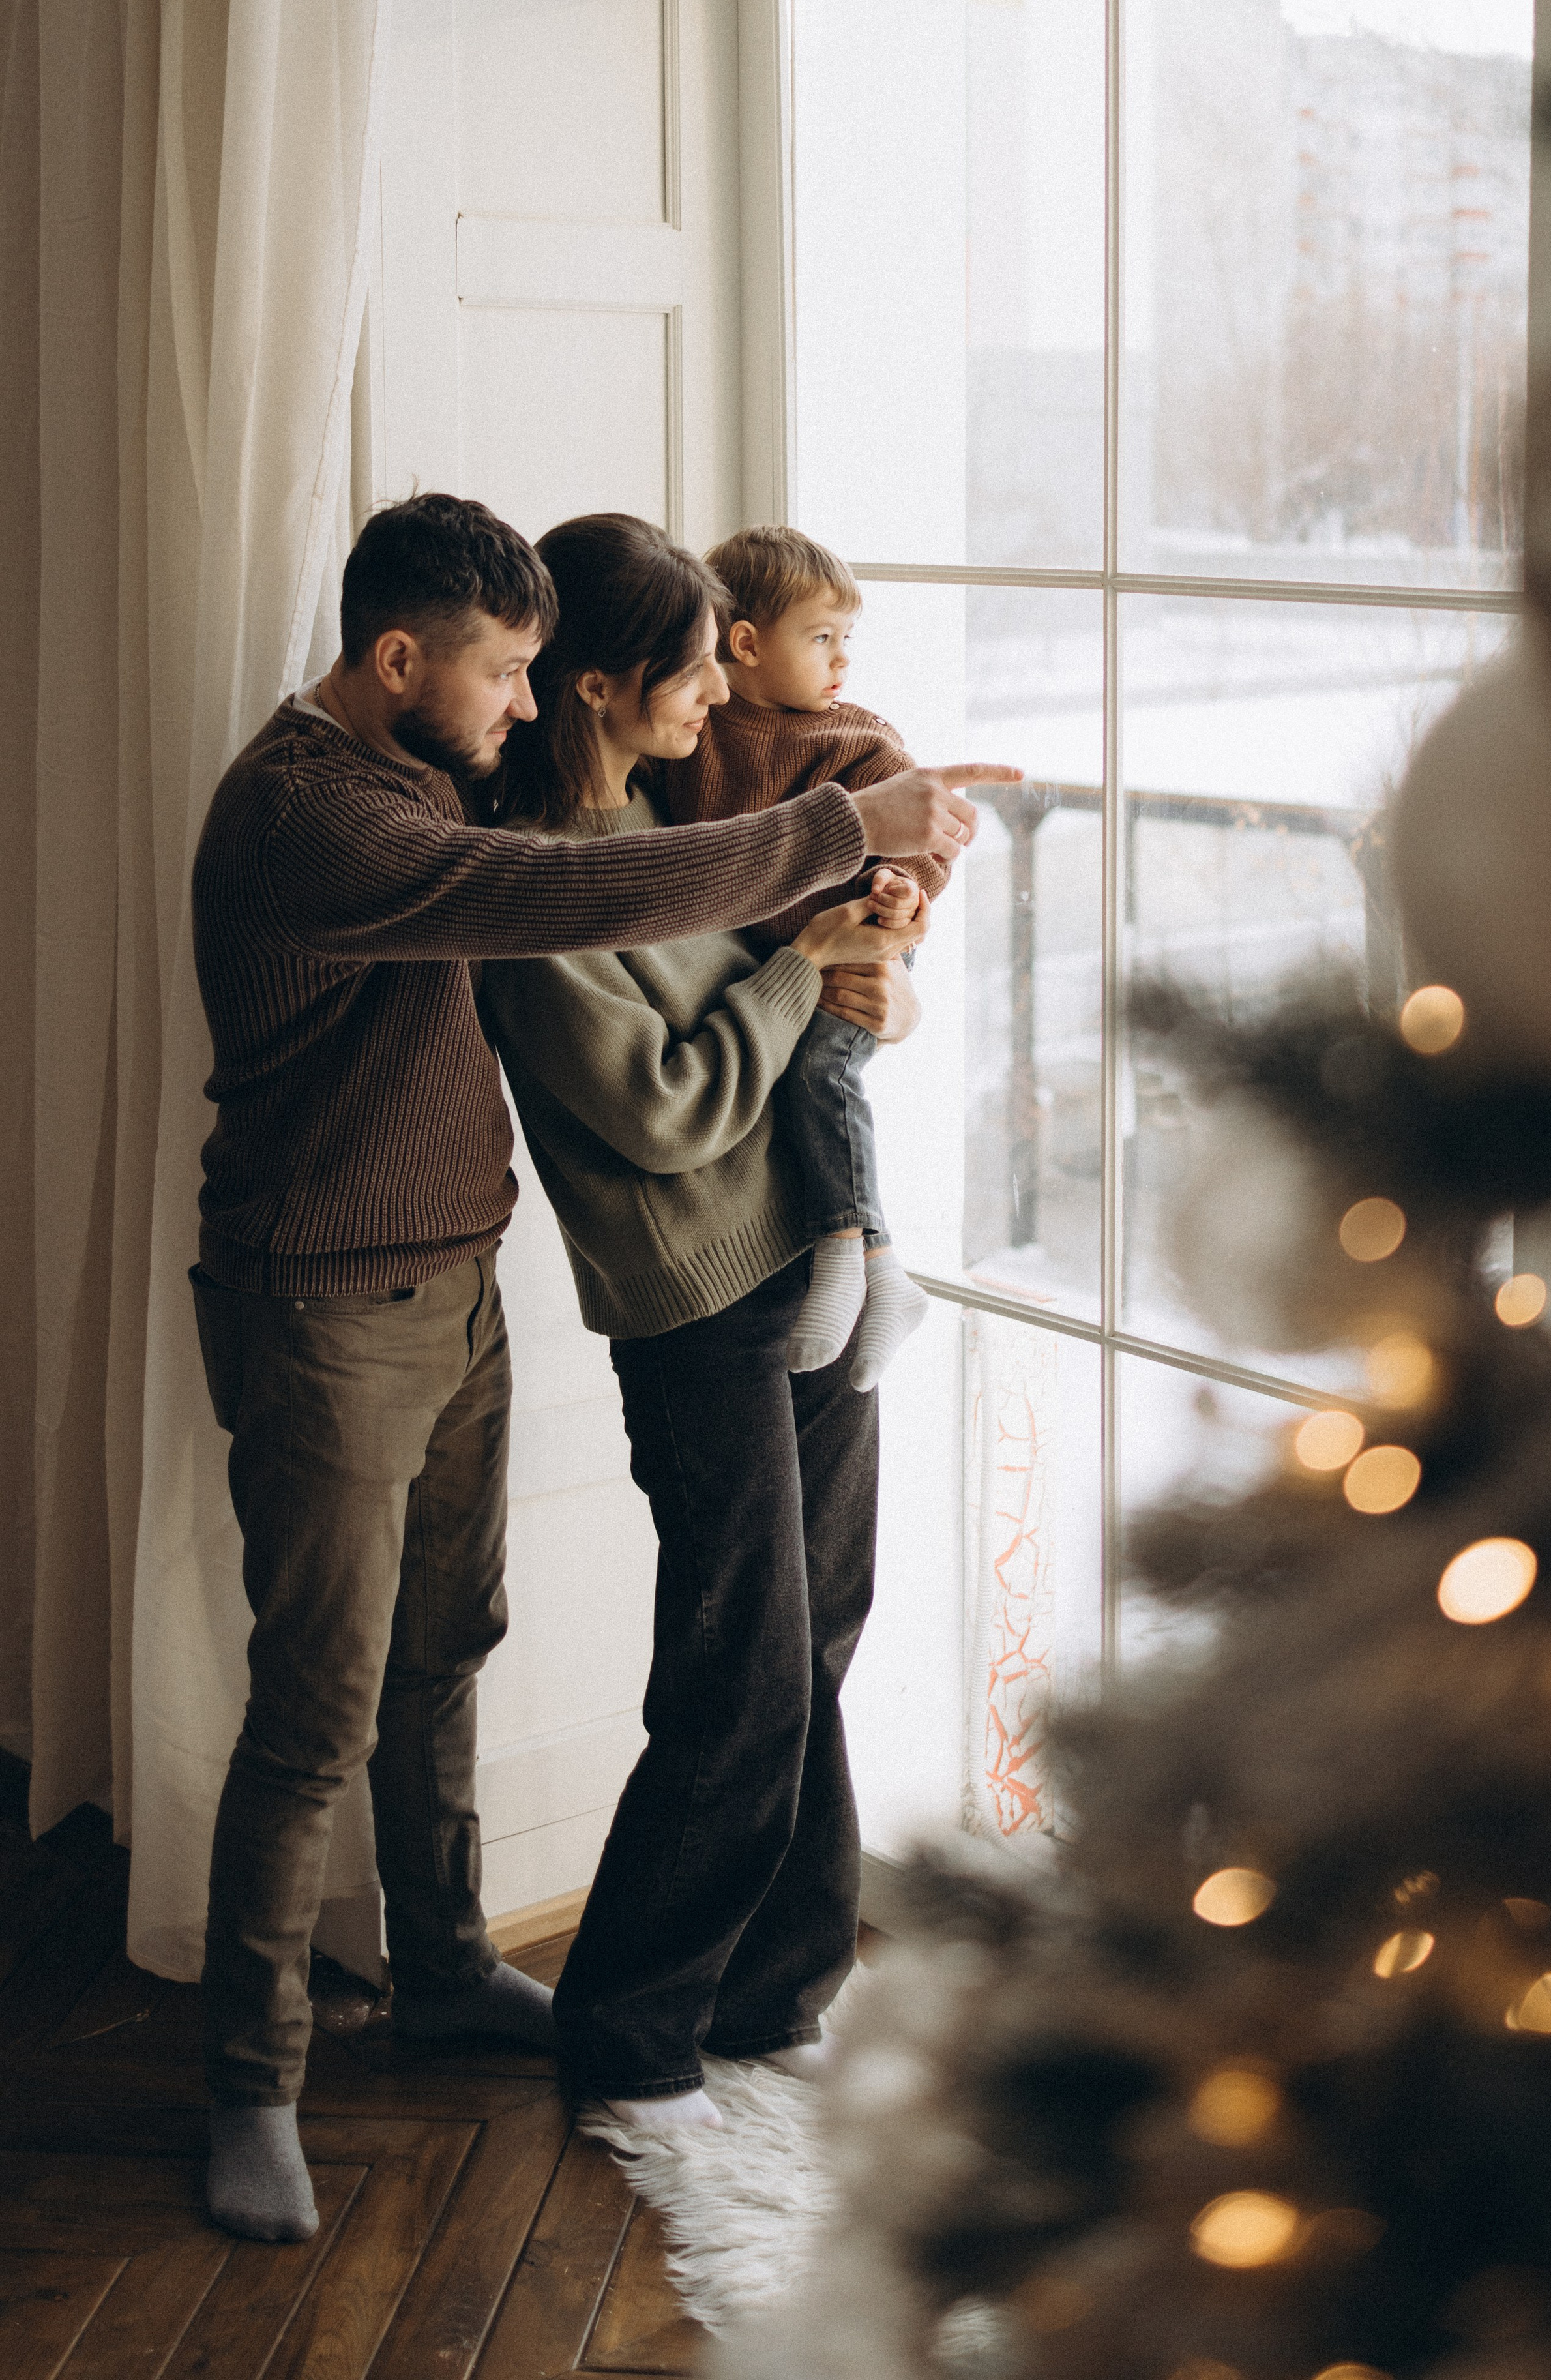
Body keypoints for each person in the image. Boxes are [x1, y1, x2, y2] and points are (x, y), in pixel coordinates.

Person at [188, 492, 1012, 2242]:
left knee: (445, 1649)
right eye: (503, 667)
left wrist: (857, 931)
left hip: (455, 1279)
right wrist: (831, 863)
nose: (521, 692)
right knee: (320, 1702)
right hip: (327, 1300)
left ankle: (446, 1965)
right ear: (397, 659)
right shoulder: (320, 815)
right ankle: (252, 2080)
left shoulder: (448, 776)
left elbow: (700, 855)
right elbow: (573, 906)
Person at [479, 514, 933, 2127]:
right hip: (695, 1312)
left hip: (806, 1259)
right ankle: (628, 2027)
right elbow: (665, 1109)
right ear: (600, 686)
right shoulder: (533, 885)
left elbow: (814, 987)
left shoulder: (679, 817)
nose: (715, 698)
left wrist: (869, 974)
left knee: (819, 1636)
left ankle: (775, 1986)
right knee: (739, 1673)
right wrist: (803, 966)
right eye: (686, 672)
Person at [658, 524, 946, 1388]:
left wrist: (901, 888)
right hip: (786, 963)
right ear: (745, 645)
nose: (843, 660)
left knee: (822, 1070)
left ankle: (845, 1254)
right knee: (795, 1079)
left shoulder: (856, 738)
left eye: (847, 638)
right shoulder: (696, 735)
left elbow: (927, 847)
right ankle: (884, 1272)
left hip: (862, 945)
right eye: (822, 638)